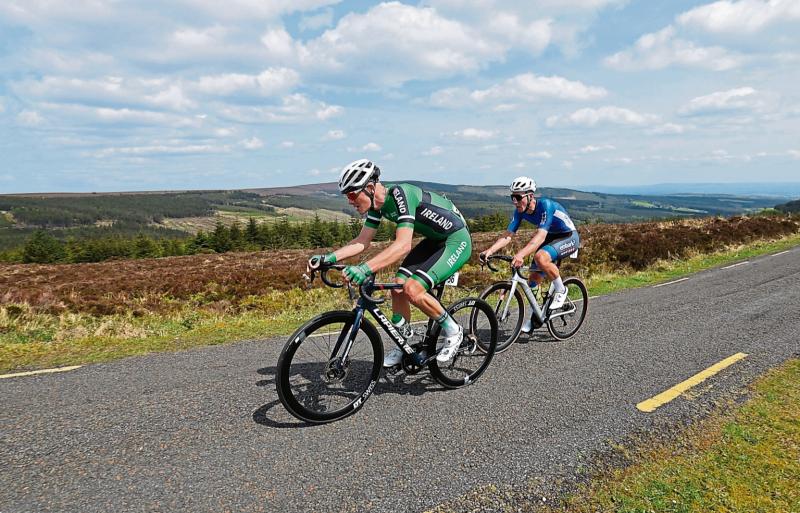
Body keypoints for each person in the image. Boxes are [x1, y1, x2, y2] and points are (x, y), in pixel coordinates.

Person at [307, 159, 472, 366]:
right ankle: (404, 343)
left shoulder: (400, 195)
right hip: (434, 241)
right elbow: (362, 241)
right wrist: (329, 258)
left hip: (456, 240)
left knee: (413, 289)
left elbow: (403, 245)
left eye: (351, 194)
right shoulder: (377, 206)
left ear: (369, 188)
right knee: (397, 287)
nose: (349, 201)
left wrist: (365, 268)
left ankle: (453, 330)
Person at [479, 176, 579, 332]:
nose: (515, 202)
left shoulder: (545, 205)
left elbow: (540, 237)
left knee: (540, 257)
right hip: (551, 237)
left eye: (518, 197)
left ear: (530, 196)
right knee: (533, 279)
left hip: (568, 236)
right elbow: (508, 235)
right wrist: (490, 251)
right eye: (513, 197)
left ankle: (561, 289)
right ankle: (536, 316)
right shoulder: (519, 212)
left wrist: (520, 255)